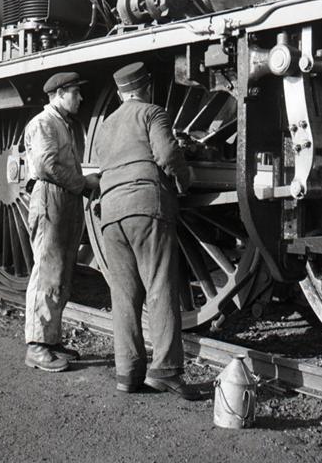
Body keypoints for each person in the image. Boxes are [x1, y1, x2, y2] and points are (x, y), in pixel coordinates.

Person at [96, 62, 200, 400]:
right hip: (145, 205)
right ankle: (166, 370)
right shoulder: (152, 112)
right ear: (147, 88)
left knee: (124, 295)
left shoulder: (106, 125)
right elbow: (167, 154)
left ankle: (127, 374)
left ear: (119, 93)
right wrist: (184, 180)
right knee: (159, 286)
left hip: (110, 213)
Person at [24, 71, 99, 372]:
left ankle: (51, 340)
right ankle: (36, 346)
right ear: (58, 94)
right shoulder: (43, 123)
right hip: (50, 197)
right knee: (47, 271)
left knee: (61, 273)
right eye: (75, 93)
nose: (80, 98)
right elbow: (47, 166)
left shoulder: (61, 123)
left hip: (64, 198)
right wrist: (83, 183)